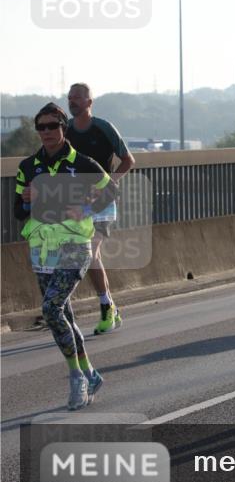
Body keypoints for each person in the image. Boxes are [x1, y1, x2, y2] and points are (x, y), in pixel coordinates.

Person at [14, 103, 117, 410]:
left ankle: (77, 378)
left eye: (52, 126)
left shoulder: (83, 164)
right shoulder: (27, 167)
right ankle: (90, 372)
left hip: (75, 245)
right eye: (41, 127)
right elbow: (18, 212)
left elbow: (112, 192)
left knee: (51, 308)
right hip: (43, 247)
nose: (46, 132)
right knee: (65, 316)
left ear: (63, 128)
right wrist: (27, 199)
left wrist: (85, 210)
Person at [65, 83, 135, 335]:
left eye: (77, 98)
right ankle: (110, 307)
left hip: (103, 202)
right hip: (76, 204)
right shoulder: (65, 131)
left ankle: (106, 309)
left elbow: (128, 160)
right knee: (90, 257)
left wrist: (108, 183)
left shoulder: (103, 128)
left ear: (89, 102)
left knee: (90, 253)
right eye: (69, 98)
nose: (72, 102)